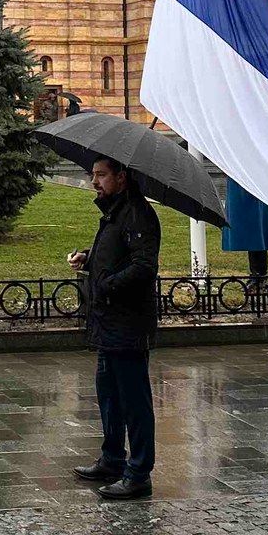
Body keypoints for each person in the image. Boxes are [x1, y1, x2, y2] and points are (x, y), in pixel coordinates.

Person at [69, 157, 161, 501]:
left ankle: (139, 473)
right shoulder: (115, 211)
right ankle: (112, 458)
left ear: (121, 178)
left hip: (128, 322)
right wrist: (89, 258)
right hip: (108, 321)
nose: (94, 181)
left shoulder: (137, 214)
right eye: (93, 174)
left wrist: (105, 284)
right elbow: (116, 254)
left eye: (101, 175)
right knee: (109, 395)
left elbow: (143, 267)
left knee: (134, 401)